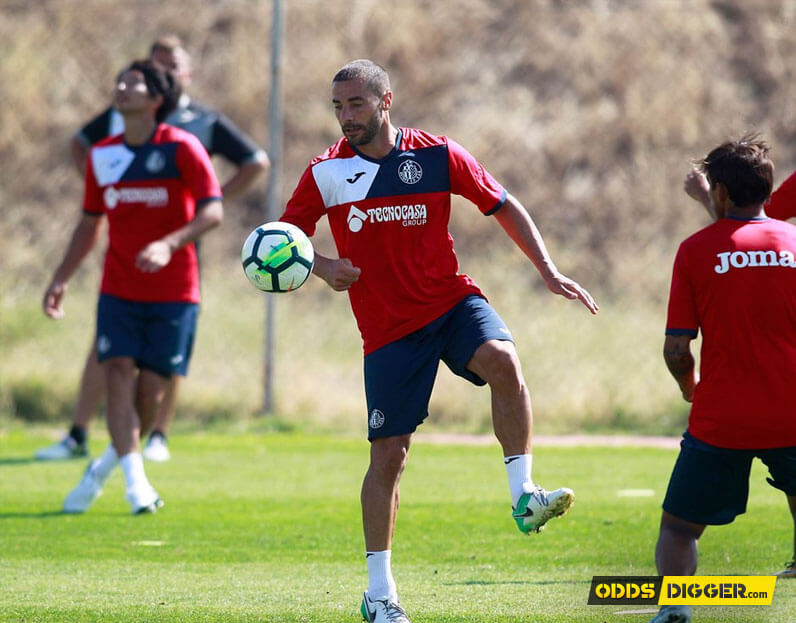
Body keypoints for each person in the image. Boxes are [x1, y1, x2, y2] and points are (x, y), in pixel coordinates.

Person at [279, 59, 598, 623]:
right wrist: (324, 267)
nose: (345, 117)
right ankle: (380, 594)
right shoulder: (325, 172)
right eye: (337, 106)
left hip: (451, 302)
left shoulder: (436, 154)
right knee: (389, 458)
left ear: (386, 101)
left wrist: (547, 269)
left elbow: (502, 203)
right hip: (388, 331)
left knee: (503, 360)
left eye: (356, 104)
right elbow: (283, 243)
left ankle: (525, 494)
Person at [35, 34, 268, 463]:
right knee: (112, 356)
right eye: (150, 65)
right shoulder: (114, 131)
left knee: (161, 366)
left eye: (167, 66)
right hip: (123, 263)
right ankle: (83, 436)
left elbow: (256, 163)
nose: (126, 87)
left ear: (180, 77)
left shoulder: (197, 127)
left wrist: (207, 204)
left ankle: (155, 434)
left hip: (179, 256)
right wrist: (106, 193)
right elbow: (81, 159)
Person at [42, 59, 223, 514]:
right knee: (117, 373)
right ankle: (136, 485)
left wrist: (170, 242)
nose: (122, 87)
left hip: (175, 291)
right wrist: (61, 278)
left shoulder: (182, 148)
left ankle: (104, 468)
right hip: (118, 289)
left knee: (150, 393)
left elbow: (212, 210)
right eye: (119, 80)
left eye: (134, 83)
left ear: (156, 99)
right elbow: (89, 225)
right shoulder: (103, 155)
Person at [651, 136, 796, 623]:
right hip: (791, 413)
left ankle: (676, 610)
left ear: (719, 194)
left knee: (678, 529)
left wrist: (689, 386)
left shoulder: (695, 251)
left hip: (722, 418)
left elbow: (676, 348)